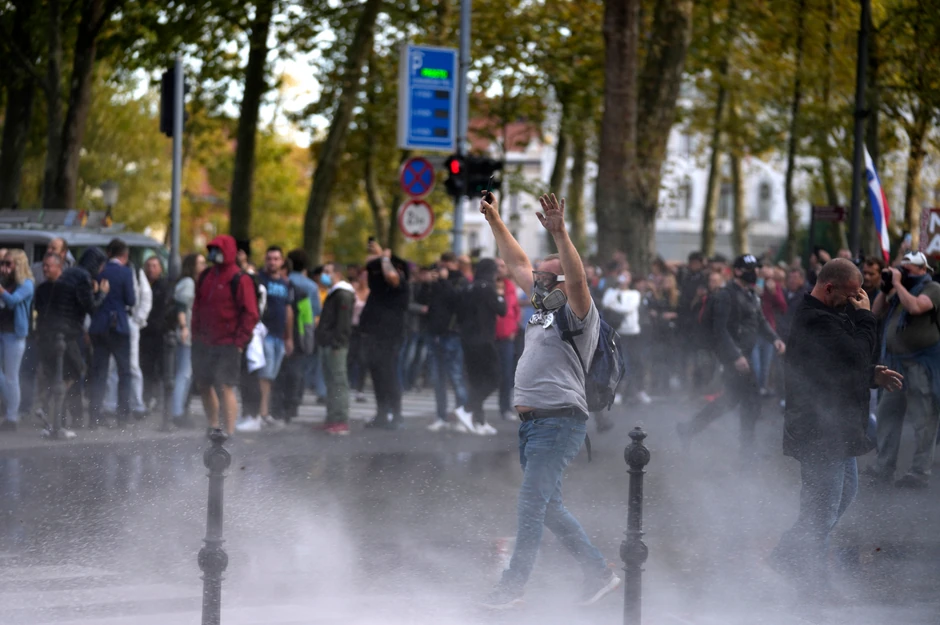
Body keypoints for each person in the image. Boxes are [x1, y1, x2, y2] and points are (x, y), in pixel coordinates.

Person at [479, 192, 621, 609]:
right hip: (534, 423)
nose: (535, 276)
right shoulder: (543, 305)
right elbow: (517, 262)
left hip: (559, 421)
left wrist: (561, 234)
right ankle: (600, 573)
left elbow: (576, 278)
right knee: (550, 507)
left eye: (546, 273)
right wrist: (494, 221)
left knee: (530, 504)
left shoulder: (579, 310)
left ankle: (513, 587)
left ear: (561, 280)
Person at [771, 259, 902, 596]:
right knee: (821, 509)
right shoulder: (814, 318)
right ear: (828, 288)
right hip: (818, 429)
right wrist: (866, 316)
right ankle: (811, 581)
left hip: (839, 427)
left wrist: (872, 374)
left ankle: (787, 555)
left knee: (844, 495)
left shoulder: (831, 313)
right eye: (848, 296)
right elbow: (855, 353)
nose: (851, 302)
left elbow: (841, 365)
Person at [676, 254, 786, 453]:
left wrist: (775, 339)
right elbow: (720, 330)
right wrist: (735, 356)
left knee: (731, 401)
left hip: (745, 356)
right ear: (737, 271)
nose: (755, 273)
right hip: (734, 358)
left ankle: (689, 429)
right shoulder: (726, 296)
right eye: (750, 269)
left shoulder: (752, 295)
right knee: (751, 401)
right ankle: (747, 451)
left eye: (756, 269)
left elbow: (760, 322)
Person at [864, 251, 940, 488]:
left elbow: (916, 308)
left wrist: (897, 283)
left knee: (923, 418)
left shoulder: (933, 288)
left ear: (922, 269)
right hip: (894, 363)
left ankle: (919, 472)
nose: (903, 271)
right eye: (901, 267)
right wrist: (886, 289)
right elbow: (874, 313)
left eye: (907, 268)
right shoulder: (898, 291)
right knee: (887, 414)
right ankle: (883, 467)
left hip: (920, 363)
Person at [33, 248, 109, 436]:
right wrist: (101, 293)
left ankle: (50, 412)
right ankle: (49, 405)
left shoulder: (69, 273)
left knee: (60, 371)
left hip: (52, 330)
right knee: (75, 369)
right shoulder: (83, 278)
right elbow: (91, 307)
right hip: (66, 332)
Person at [191, 235, 259, 436]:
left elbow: (251, 313)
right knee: (204, 384)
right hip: (204, 341)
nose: (215, 254)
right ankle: (213, 426)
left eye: (219, 250)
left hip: (228, 342)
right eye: (212, 250)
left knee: (225, 386)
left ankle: (228, 433)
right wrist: (195, 334)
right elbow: (197, 307)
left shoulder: (240, 278)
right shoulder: (205, 276)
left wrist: (239, 341)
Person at [237, 246, 294, 432]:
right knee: (262, 376)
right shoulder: (259, 279)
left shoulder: (286, 284)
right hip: (264, 334)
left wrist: (289, 336)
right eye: (269, 258)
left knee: (270, 377)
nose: (272, 262)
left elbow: (288, 310)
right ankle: (259, 414)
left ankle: (264, 413)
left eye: (276, 259)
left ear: (282, 261)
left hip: (279, 335)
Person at [361, 240, 409, 430]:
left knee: (389, 374)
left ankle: (396, 415)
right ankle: (382, 414)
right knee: (377, 375)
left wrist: (384, 257)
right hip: (375, 334)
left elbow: (391, 276)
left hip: (390, 336)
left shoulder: (399, 283)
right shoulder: (378, 290)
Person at [88, 239, 137, 428]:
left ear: (109, 253)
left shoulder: (99, 271)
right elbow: (131, 300)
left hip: (99, 325)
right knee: (124, 371)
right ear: (124, 255)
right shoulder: (125, 272)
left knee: (99, 372)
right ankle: (122, 417)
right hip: (118, 326)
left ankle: (94, 416)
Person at [458, 258, 507, 435]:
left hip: (467, 340)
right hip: (484, 339)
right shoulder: (488, 288)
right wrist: (500, 293)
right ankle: (467, 409)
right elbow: (502, 310)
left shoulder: (468, 288)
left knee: (476, 380)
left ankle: (479, 421)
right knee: (494, 378)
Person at [425, 252, 472, 432]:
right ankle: (441, 416)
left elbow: (457, 301)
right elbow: (426, 302)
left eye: (445, 266)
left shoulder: (461, 281)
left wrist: (443, 281)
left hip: (452, 335)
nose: (442, 269)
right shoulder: (435, 283)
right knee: (437, 379)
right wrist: (430, 283)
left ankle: (462, 416)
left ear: (453, 264)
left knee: (456, 377)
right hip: (434, 334)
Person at [315, 263, 355, 435]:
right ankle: (332, 417)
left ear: (337, 274)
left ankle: (340, 419)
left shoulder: (343, 294)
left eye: (328, 272)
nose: (324, 275)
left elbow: (343, 323)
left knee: (338, 382)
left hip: (335, 345)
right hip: (329, 343)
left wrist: (337, 343)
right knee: (331, 382)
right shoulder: (335, 293)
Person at [0, 250, 34, 431]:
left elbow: (13, 300)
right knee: (4, 377)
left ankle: (12, 416)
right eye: (2, 264)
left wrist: (1, 291)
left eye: (8, 264)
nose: (4, 268)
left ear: (18, 265)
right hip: (1, 331)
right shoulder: (5, 281)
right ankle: (12, 405)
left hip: (14, 333)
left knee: (12, 376)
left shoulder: (26, 284)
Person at [170, 253, 206, 428]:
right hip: (187, 334)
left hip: (192, 333)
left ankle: (180, 409)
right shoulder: (189, 283)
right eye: (200, 263)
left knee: (186, 373)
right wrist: (184, 327)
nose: (204, 266)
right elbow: (181, 308)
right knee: (184, 373)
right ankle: (177, 412)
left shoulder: (191, 283)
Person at [139, 257, 170, 413]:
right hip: (145, 333)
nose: (151, 269)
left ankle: (159, 399)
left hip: (158, 332)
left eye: (155, 266)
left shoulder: (163, 286)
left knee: (161, 368)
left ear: (160, 269)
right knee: (147, 367)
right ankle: (147, 397)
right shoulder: (142, 284)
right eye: (149, 266)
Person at [495, 258, 521, 421]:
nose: (501, 269)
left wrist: (514, 328)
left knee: (506, 374)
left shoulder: (510, 287)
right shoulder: (488, 287)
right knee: (490, 373)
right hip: (491, 336)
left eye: (503, 266)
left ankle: (504, 407)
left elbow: (515, 309)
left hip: (507, 336)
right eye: (498, 266)